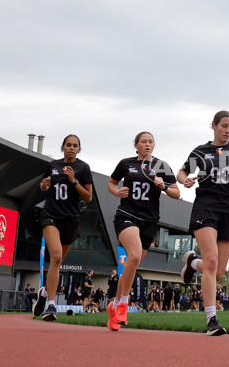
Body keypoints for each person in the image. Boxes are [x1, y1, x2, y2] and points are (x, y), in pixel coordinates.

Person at [179, 110, 229, 336]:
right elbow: (182, 173)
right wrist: (187, 181)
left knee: (218, 271)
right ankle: (212, 319)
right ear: (213, 126)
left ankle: (192, 263)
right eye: (224, 126)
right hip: (205, 207)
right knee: (211, 261)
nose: (228, 131)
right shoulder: (201, 151)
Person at [105, 131, 180, 331]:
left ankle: (113, 306)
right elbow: (111, 183)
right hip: (127, 215)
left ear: (154, 145)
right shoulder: (126, 164)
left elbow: (176, 192)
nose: (147, 144)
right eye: (143, 141)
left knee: (132, 264)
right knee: (135, 255)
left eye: (150, 141)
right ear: (136, 145)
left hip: (150, 221)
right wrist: (116, 191)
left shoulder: (162, 166)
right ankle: (123, 304)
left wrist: (163, 186)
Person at [33, 134, 93, 322]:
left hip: (71, 219)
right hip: (51, 215)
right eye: (68, 145)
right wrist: (43, 185)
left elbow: (88, 197)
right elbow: (44, 187)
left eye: (75, 145)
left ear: (79, 149)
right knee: (56, 257)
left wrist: (74, 181)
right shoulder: (53, 166)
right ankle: (51, 304)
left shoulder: (83, 168)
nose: (71, 148)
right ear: (63, 147)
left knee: (56, 264)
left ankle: (43, 292)